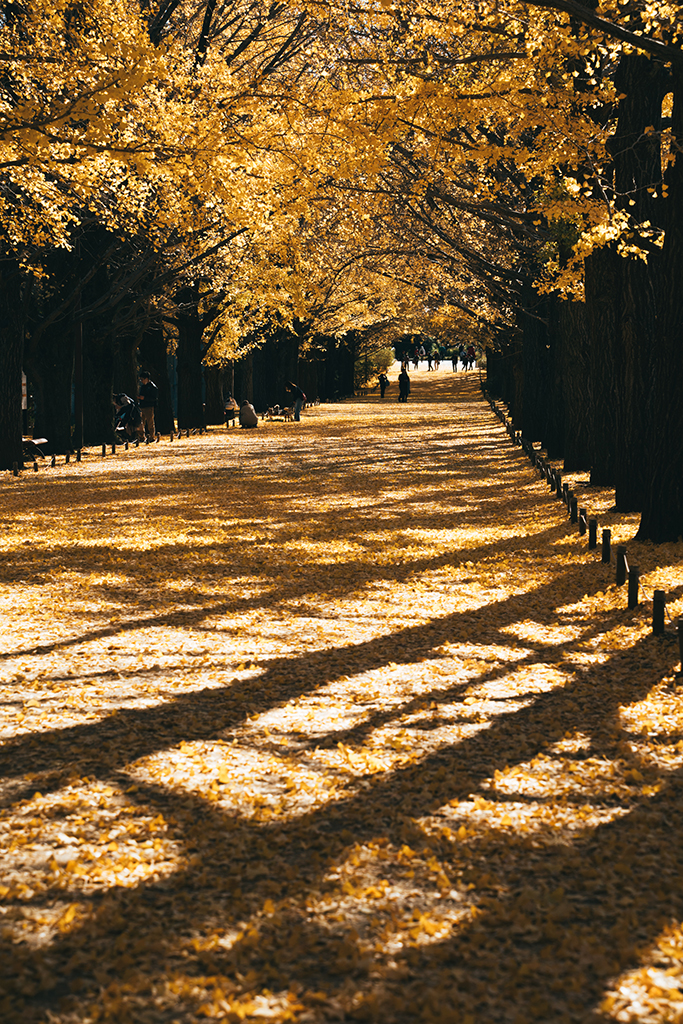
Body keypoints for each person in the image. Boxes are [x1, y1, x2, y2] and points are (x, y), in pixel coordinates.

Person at [138, 372, 158, 440]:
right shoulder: (143, 386)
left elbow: (154, 398)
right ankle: (141, 437)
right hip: (142, 406)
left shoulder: (152, 387)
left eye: (142, 379)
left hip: (149, 407)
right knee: (141, 423)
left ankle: (152, 436)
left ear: (146, 379)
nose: (141, 381)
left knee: (150, 422)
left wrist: (144, 398)